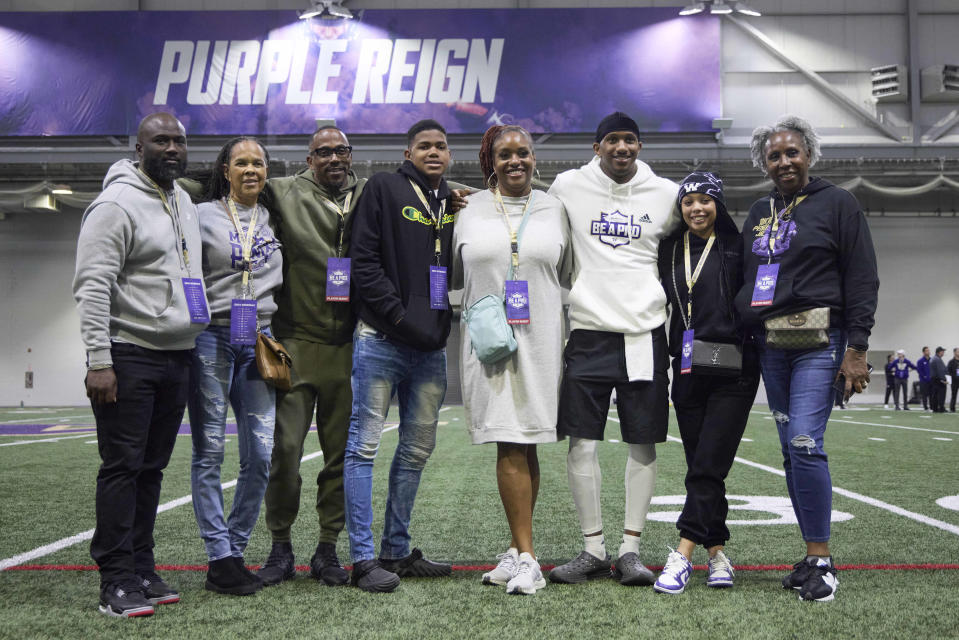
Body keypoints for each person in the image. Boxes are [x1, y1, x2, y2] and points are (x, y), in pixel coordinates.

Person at [735, 115, 879, 602]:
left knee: (803, 442)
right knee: (787, 451)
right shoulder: (760, 210)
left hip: (822, 340)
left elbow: (861, 278)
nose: (783, 161)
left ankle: (822, 559)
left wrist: (856, 349)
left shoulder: (838, 203)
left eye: (791, 152)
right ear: (764, 163)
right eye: (773, 155)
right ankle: (810, 554)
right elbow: (744, 277)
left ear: (809, 154)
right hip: (771, 345)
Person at [73, 112, 208, 618]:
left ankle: (142, 568)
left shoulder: (183, 201)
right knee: (123, 468)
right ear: (139, 147)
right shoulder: (114, 204)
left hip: (177, 356)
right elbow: (91, 286)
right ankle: (115, 580)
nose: (172, 148)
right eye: (161, 141)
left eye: (179, 141)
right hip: (128, 354)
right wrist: (99, 360)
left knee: (151, 469)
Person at [546, 112, 679, 586]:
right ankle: (592, 548)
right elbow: (528, 210)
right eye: (612, 140)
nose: (622, 148)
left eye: (630, 140)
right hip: (587, 331)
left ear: (639, 147)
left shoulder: (666, 194)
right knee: (582, 441)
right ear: (597, 147)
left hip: (645, 334)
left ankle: (630, 550)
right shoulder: (567, 185)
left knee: (642, 441)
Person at [452, 125, 570, 595]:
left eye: (523, 152)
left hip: (541, 340)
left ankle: (521, 551)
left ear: (535, 158)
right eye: (505, 154)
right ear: (490, 161)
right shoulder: (465, 208)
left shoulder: (555, 209)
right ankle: (525, 555)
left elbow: (566, 272)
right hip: (491, 346)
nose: (515, 160)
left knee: (529, 441)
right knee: (508, 443)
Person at [343, 119, 457, 592]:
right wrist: (397, 316)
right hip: (381, 341)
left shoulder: (450, 200)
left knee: (414, 452)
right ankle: (363, 560)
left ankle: (396, 549)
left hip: (429, 349)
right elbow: (362, 262)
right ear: (408, 152)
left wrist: (432, 327)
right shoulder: (383, 188)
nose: (434, 152)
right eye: (424, 146)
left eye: (442, 146)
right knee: (364, 447)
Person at [253, 126, 365, 587]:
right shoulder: (282, 191)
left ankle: (327, 549)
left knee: (340, 458)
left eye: (341, 150)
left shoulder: (370, 194)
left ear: (351, 154)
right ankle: (280, 547)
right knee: (284, 453)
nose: (334, 158)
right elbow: (214, 182)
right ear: (309, 157)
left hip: (349, 349)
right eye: (324, 152)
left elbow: (428, 192)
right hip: (295, 346)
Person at [652, 172, 760, 594]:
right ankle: (718, 554)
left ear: (719, 204)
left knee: (708, 466)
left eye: (705, 200)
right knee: (703, 467)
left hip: (735, 370)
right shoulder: (667, 249)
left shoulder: (738, 245)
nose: (697, 208)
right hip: (688, 370)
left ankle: (682, 555)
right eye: (688, 202)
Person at [188, 137, 282, 595]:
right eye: (241, 162)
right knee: (208, 452)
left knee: (261, 455)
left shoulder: (271, 216)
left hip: (259, 340)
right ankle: (218, 557)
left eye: (258, 163)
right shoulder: (201, 213)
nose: (251, 170)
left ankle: (235, 552)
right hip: (212, 339)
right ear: (224, 169)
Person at [930, 347, 948, 413]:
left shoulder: (934, 358)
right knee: (941, 394)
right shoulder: (937, 359)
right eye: (942, 351)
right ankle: (941, 408)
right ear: (939, 352)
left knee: (935, 394)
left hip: (934, 379)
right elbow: (940, 371)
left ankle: (935, 408)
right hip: (938, 379)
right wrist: (943, 380)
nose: (943, 353)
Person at [917, 346, 932, 411]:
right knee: (924, 394)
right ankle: (925, 407)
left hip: (931, 380)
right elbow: (919, 370)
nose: (928, 352)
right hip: (923, 381)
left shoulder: (932, 360)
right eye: (926, 350)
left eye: (928, 350)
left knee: (931, 394)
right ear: (923, 352)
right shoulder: (920, 361)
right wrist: (924, 376)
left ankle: (932, 406)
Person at [948, 348, 959, 413]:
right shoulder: (951, 362)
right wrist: (950, 380)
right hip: (954, 381)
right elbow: (948, 372)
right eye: (958, 351)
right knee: (954, 395)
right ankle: (952, 408)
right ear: (954, 353)